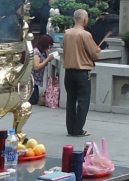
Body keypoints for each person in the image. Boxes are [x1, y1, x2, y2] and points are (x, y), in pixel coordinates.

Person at [63, 8, 99, 137]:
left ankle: (70, 129)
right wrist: (97, 51)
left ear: (74, 19)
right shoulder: (85, 35)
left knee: (71, 100)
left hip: (68, 72)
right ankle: (78, 129)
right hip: (82, 72)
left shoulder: (67, 33)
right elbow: (94, 54)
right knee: (83, 102)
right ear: (85, 19)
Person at [30, 33, 58, 105]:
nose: (50, 47)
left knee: (35, 98)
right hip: (32, 80)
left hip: (36, 80)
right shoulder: (36, 53)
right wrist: (47, 60)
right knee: (33, 100)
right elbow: (36, 67)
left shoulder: (43, 53)